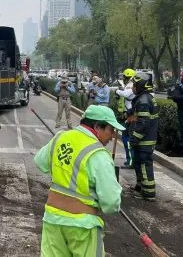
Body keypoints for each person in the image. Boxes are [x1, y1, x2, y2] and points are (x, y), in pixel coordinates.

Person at [34, 105, 124, 257]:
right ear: (97, 126)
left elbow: (40, 162)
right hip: (82, 228)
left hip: (52, 221)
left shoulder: (60, 137)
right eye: (110, 129)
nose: (113, 136)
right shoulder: (99, 154)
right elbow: (111, 203)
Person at [130, 73, 159, 201]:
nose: (132, 87)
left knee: (144, 164)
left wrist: (135, 137)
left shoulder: (143, 101)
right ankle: (140, 185)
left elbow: (143, 122)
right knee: (138, 162)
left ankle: (148, 193)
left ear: (141, 85)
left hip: (145, 140)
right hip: (145, 138)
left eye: (134, 85)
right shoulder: (144, 98)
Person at [115, 68, 136, 169]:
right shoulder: (129, 85)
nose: (124, 78)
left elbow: (126, 94)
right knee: (125, 138)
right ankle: (129, 159)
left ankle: (131, 161)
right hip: (126, 114)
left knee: (128, 139)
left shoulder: (131, 85)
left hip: (130, 116)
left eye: (125, 77)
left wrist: (117, 90)